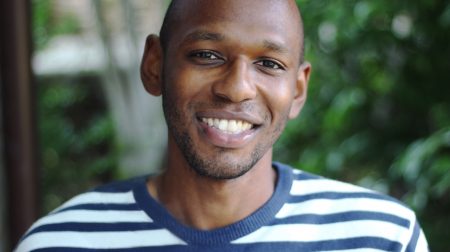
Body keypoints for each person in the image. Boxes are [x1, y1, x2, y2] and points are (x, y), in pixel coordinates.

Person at [16, 0, 428, 251]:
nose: (236, 88)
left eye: (269, 64)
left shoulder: (380, 238)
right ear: (155, 66)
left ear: (298, 90)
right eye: (207, 55)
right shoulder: (61, 243)